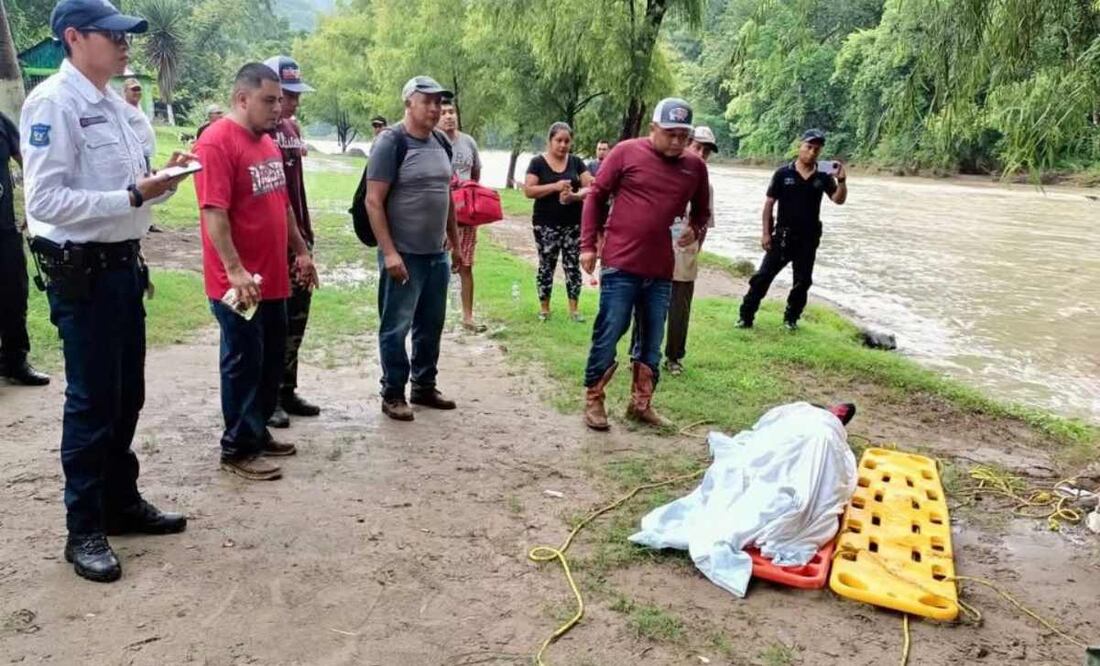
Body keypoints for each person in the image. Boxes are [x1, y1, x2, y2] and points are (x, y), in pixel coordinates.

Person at [21, 0, 196, 582]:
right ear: (74, 38)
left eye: (127, 36)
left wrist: (161, 183)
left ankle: (121, 503)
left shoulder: (120, 111)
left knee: (128, 396)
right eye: (112, 35)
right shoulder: (54, 104)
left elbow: (133, 193)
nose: (125, 45)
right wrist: (133, 197)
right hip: (82, 273)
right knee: (93, 403)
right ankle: (84, 529)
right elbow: (45, 203)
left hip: (123, 266)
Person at [193, 63, 318, 481]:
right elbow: (214, 212)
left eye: (280, 100)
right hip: (239, 284)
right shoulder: (216, 143)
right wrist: (234, 270)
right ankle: (238, 448)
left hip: (273, 278)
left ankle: (258, 430)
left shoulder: (266, 143)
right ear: (241, 98)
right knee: (243, 360)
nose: (278, 109)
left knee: (269, 360)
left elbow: (281, 204)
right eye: (269, 100)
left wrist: (301, 251)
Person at [579, 98, 710, 431]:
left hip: (661, 269)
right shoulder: (625, 153)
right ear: (653, 128)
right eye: (671, 134)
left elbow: (702, 211)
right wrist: (587, 245)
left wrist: (693, 229)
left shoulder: (694, 167)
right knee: (610, 331)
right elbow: (596, 195)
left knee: (652, 338)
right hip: (621, 263)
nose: (678, 141)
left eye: (684, 135)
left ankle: (641, 404)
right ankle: (594, 398)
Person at [366, 76, 460, 422]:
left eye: (439, 102)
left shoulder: (440, 142)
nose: (435, 109)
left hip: (436, 254)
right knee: (396, 326)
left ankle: (424, 385)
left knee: (431, 323)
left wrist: (455, 240)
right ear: (408, 103)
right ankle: (393, 392)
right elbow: (373, 201)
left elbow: (447, 194)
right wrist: (389, 252)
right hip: (403, 254)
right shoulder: (391, 142)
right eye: (428, 101)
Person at [736, 129, 847, 331]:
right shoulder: (783, 173)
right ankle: (746, 316)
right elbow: (769, 204)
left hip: (809, 238)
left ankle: (791, 319)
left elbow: (838, 200)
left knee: (803, 282)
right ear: (800, 146)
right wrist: (766, 233)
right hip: (783, 237)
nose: (812, 152)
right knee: (762, 277)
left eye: (817, 149)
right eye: (809, 147)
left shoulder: (823, 176)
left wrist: (842, 181)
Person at [262, 55, 321, 429]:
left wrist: (304, 241)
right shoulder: (259, 132)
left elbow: (294, 188)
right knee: (272, 323)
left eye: (297, 94)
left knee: (296, 319)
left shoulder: (291, 129)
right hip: (272, 244)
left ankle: (286, 388)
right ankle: (266, 398)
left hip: (300, 235)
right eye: (287, 94)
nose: (294, 101)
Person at [523, 122, 593, 322]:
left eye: (567, 141)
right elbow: (529, 190)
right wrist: (555, 186)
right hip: (546, 223)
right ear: (550, 141)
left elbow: (592, 186)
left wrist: (576, 196)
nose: (563, 145)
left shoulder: (576, 162)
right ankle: (544, 309)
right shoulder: (537, 162)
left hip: (573, 223)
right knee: (547, 264)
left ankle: (574, 310)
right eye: (559, 141)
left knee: (572, 265)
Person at [663, 126, 718, 376]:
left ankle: (674, 357)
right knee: (646, 306)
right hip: (655, 252)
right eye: (697, 147)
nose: (701, 154)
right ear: (686, 144)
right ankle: (640, 354)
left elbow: (705, 223)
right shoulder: (663, 172)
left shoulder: (706, 186)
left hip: (685, 255)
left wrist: (695, 250)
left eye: (706, 151)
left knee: (679, 311)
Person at [0, 112, 49, 386]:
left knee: (14, 295)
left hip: (5, 230)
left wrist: (33, 210)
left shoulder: (2, 123)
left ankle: (14, 360)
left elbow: (30, 167)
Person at [437, 97, 485, 332]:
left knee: (466, 265)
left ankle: (468, 317)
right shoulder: (433, 141)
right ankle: (436, 315)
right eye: (444, 112)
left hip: (466, 214)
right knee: (438, 265)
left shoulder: (468, 142)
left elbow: (476, 172)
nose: (448, 116)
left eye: (452, 111)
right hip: (439, 214)